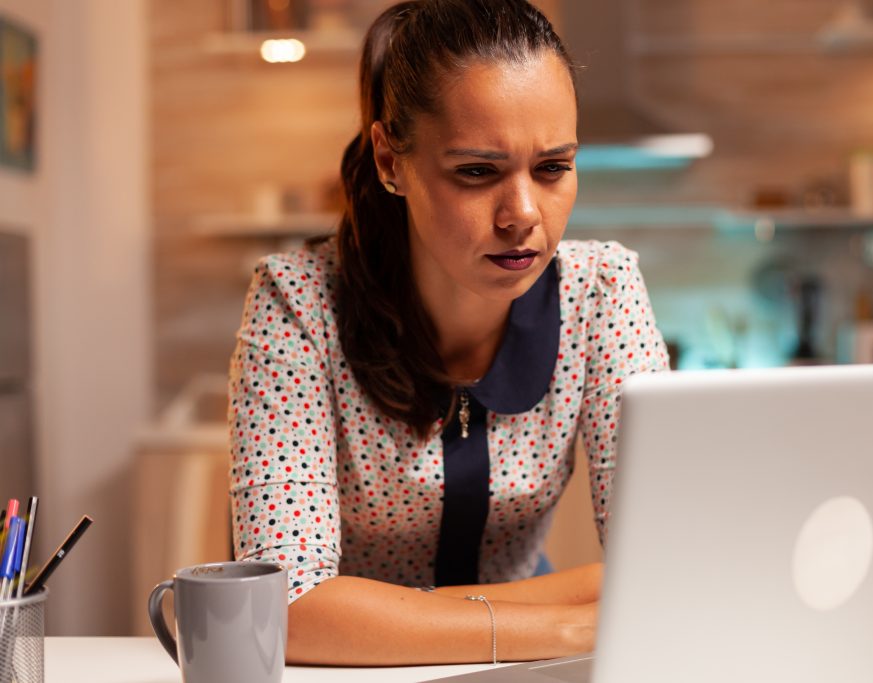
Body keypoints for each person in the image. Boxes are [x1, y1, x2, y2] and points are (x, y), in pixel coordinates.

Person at [228, 0, 669, 666]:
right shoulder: (297, 302)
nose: (523, 214)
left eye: (553, 168)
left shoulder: (602, 290)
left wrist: (390, 614)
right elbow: (282, 607)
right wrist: (565, 622)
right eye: (476, 171)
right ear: (390, 160)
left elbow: (668, 563)